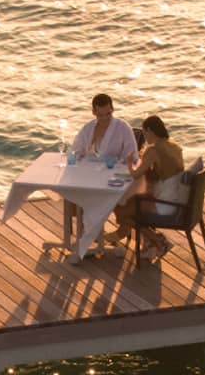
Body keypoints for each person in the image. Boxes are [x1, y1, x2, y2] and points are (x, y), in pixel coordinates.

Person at [109, 114, 185, 258]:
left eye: (144, 133)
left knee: (123, 209)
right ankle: (150, 241)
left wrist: (130, 162)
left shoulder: (153, 150)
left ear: (150, 131)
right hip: (176, 200)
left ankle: (158, 240)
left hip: (163, 205)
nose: (145, 137)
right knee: (129, 204)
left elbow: (136, 175)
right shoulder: (173, 145)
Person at [69, 93, 138, 164]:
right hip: (88, 170)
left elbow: (133, 157)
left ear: (112, 110)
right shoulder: (87, 128)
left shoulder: (123, 127)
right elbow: (75, 151)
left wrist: (115, 162)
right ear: (93, 112)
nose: (105, 118)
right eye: (100, 115)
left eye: (108, 114)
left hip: (113, 171)